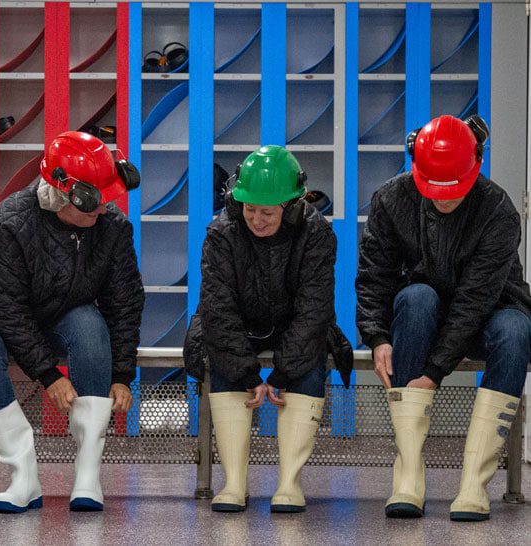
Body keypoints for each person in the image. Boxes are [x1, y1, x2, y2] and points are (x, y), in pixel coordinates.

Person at [0, 131, 144, 513]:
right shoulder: (8, 224)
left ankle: (88, 474)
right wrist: (48, 375)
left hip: (59, 308)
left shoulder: (111, 226)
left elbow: (124, 301)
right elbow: (7, 308)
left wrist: (122, 374)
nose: (103, 210)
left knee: (90, 326)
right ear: (62, 194)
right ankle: (23, 476)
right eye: (93, 204)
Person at [356, 114, 531, 521]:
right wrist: (378, 336)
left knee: (517, 328)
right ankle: (408, 477)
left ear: (476, 167)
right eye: (434, 188)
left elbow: (475, 300)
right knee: (416, 297)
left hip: (489, 312)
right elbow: (373, 277)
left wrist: (434, 372)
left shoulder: (499, 210)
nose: (443, 198)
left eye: (453, 189)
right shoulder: (391, 199)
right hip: (422, 316)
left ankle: (474, 483)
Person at [184, 145, 337, 513]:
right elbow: (217, 310)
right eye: (250, 209)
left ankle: (289, 483)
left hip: (292, 324)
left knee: (312, 356)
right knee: (220, 355)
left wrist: (283, 372)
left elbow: (314, 311)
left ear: (293, 206)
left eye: (267, 212)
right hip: (239, 322)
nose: (257, 219)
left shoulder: (316, 232)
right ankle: (234, 482)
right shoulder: (221, 231)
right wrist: (247, 373)